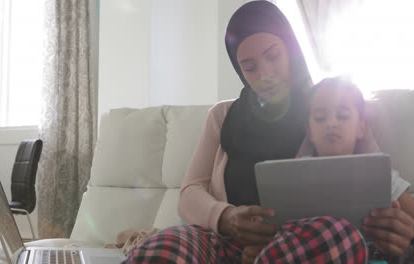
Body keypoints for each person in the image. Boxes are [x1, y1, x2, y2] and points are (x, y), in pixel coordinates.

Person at [123, 1, 370, 263]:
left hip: (299, 245)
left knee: (340, 235)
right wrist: (227, 218)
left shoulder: (328, 110)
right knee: (164, 245)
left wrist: (406, 225)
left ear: (291, 51)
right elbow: (190, 193)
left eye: (273, 56)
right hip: (225, 243)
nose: (265, 74)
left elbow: (369, 183)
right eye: (250, 67)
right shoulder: (222, 116)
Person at [300, 77, 414, 263]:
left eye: (342, 116)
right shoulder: (297, 175)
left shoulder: (379, 174)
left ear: (361, 128)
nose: (331, 123)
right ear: (309, 133)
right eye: (320, 118)